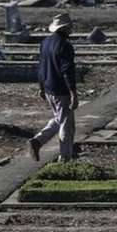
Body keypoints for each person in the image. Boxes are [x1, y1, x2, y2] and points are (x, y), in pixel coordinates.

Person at [29, 13, 78, 162]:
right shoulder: (65, 46)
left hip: (49, 87)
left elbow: (41, 67)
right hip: (61, 90)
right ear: (65, 28)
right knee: (66, 125)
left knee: (59, 119)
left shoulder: (45, 43)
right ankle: (65, 160)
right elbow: (67, 71)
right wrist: (73, 93)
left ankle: (37, 141)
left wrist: (41, 87)